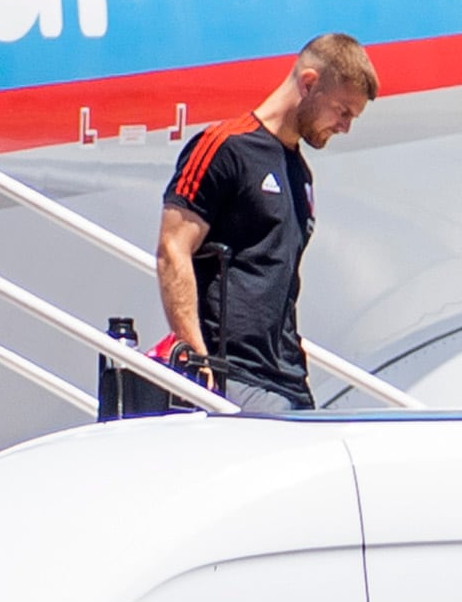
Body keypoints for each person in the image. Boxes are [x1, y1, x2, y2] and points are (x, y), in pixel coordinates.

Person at [156, 34, 378, 413]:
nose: (345, 127)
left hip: (289, 377)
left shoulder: (300, 173)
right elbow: (172, 248)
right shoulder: (225, 148)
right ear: (309, 83)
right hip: (234, 374)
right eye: (342, 111)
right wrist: (198, 358)